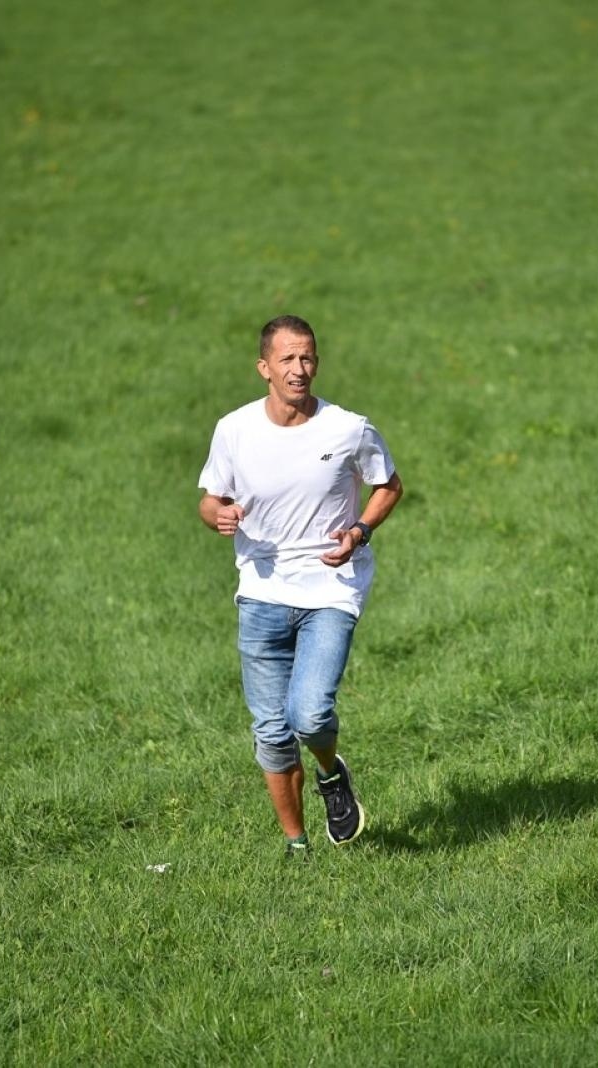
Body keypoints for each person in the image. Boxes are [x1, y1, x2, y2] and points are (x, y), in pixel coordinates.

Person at [198, 315, 404, 857]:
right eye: (287, 359)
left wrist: (359, 531)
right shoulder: (234, 429)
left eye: (308, 357)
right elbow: (209, 498)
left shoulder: (347, 428)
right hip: (261, 591)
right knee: (271, 731)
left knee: (309, 714)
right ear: (264, 367)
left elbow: (388, 485)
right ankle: (298, 847)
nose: (300, 369)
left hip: (330, 588)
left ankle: (332, 773)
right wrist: (218, 516)